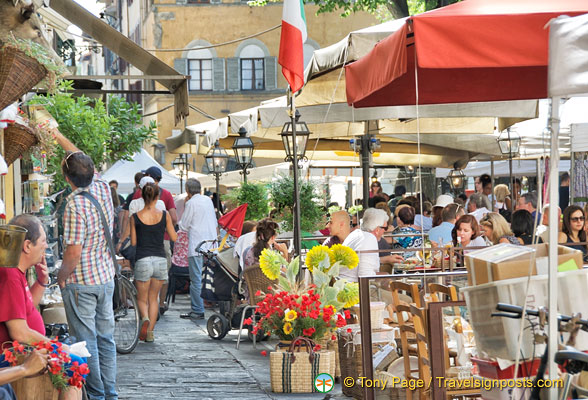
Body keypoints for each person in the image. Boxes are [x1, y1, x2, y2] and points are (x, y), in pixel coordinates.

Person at [54, 130, 118, 400]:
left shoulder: (74, 205)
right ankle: (110, 394)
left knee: (86, 342)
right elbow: (81, 158)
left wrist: (60, 277)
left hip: (82, 282)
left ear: (67, 179)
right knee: (106, 339)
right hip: (106, 278)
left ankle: (97, 395)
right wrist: (56, 134)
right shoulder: (102, 187)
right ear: (92, 172)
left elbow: (73, 253)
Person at [2, 214, 83, 400]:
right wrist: (57, 347)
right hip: (13, 356)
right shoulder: (10, 276)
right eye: (43, 241)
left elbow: (26, 307)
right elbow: (19, 333)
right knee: (76, 365)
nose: (46, 246)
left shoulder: (17, 272)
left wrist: (41, 281)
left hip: (23, 351)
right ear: (27, 245)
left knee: (75, 361)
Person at [131, 183, 177, 342]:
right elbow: (174, 237)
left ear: (142, 197)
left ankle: (144, 317)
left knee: (141, 299)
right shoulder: (165, 215)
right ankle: (150, 332)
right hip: (160, 260)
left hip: (143, 259)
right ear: (157, 197)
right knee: (154, 298)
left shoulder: (135, 217)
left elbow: (134, 242)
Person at [179, 179, 218, 321]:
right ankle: (214, 303)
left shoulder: (190, 203)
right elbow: (214, 222)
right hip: (211, 244)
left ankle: (197, 310)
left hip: (197, 245)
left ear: (188, 191)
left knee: (196, 279)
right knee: (212, 277)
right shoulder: (208, 200)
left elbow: (184, 225)